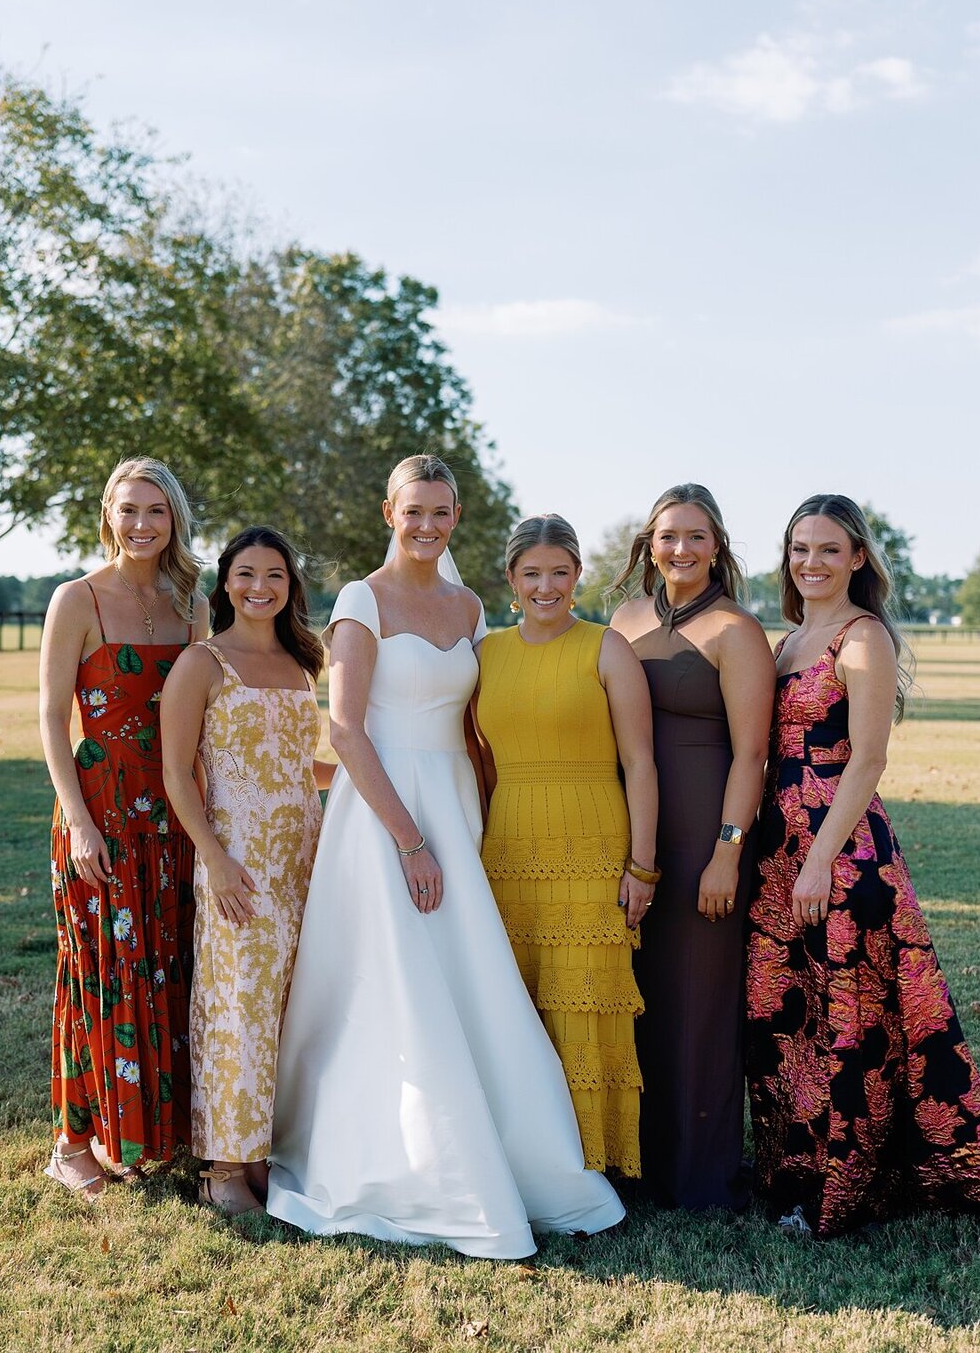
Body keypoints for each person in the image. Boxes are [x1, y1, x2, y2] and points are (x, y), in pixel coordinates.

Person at [266, 456, 625, 1257]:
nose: (426, 527)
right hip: (385, 815)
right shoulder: (361, 601)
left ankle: (514, 1150)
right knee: (394, 983)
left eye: (441, 513)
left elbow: (477, 727)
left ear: (456, 517)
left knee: (470, 974)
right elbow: (347, 731)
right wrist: (411, 841)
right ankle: (406, 1163)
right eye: (413, 511)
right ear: (388, 511)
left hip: (457, 807)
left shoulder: (468, 606)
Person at [745, 493, 980, 1236]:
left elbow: (868, 758)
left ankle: (846, 1191)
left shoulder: (861, 637)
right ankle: (792, 1172)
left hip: (838, 854)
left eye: (827, 549)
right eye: (799, 549)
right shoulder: (786, 642)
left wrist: (817, 863)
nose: (811, 562)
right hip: (776, 852)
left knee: (848, 1020)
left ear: (857, 559)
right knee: (786, 1017)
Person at [40, 457, 207, 1198]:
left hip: (175, 812)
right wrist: (79, 823)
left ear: (174, 520)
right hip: (101, 810)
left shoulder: (193, 601)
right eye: (128, 510)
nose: (141, 525)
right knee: (98, 972)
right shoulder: (76, 600)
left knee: (169, 965)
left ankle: (154, 1133)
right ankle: (73, 1144)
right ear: (107, 514)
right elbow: (50, 720)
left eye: (156, 512)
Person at [475, 514, 657, 1178]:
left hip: (594, 849)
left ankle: (592, 1167)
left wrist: (642, 866)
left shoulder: (606, 648)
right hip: (508, 849)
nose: (545, 585)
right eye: (532, 573)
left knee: (584, 1008)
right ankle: (529, 1165)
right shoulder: (487, 653)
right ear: (512, 580)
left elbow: (640, 763)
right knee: (517, 1005)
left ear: (578, 575)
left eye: (559, 572)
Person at [160, 527, 334, 1216]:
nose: (260, 588)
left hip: (304, 859)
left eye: (276, 577)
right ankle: (224, 1165)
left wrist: (375, 769)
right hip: (238, 862)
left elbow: (303, 766)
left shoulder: (302, 663)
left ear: (291, 587)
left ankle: (268, 1151)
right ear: (225, 581)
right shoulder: (202, 664)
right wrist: (216, 858)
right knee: (240, 1008)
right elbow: (176, 773)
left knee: (291, 1007)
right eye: (246, 574)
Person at [610, 484, 774, 1210]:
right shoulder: (622, 619)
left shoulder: (736, 631)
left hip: (708, 834)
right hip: (632, 831)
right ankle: (632, 1164)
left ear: (718, 548)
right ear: (650, 544)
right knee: (637, 995)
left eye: (696, 536)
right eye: (669, 535)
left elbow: (753, 756)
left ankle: (700, 1177)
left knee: (699, 1001)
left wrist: (727, 852)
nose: (681, 548)